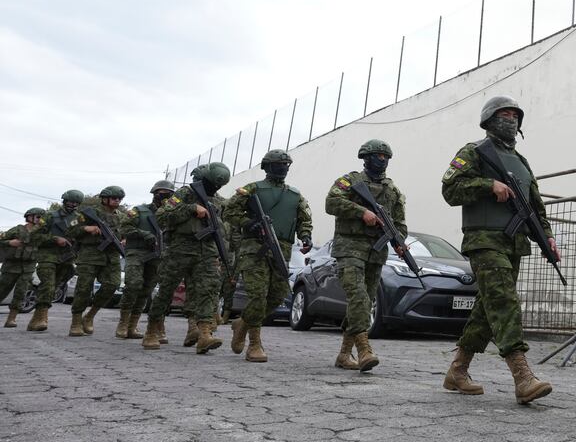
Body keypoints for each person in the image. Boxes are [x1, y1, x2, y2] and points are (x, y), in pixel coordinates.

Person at [441, 96, 557, 404]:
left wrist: (547, 237)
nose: (511, 120)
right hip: (484, 241)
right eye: (505, 114)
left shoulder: (521, 161)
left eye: (515, 115)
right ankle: (523, 376)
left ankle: (457, 371)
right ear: (490, 120)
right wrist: (487, 185)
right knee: (504, 302)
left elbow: (535, 204)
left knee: (486, 309)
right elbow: (449, 189)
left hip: (513, 243)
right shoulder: (474, 152)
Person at [223, 149, 313, 363]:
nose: (283, 168)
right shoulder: (252, 189)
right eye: (278, 164)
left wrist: (306, 236)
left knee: (278, 295)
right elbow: (228, 212)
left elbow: (304, 219)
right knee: (258, 295)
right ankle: (254, 344)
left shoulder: (295, 195)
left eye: (286, 164)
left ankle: (243, 323)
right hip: (254, 250)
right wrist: (248, 223)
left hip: (281, 250)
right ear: (267, 166)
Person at [324, 139, 406, 372]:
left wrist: (399, 242)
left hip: (376, 252)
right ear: (365, 158)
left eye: (385, 157)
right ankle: (364, 349)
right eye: (377, 156)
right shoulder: (350, 181)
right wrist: (362, 212)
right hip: (349, 248)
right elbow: (331, 203)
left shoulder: (393, 190)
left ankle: (343, 355)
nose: (382, 160)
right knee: (358, 297)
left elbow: (399, 222)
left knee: (364, 301)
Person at [142, 163, 231, 354]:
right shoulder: (184, 194)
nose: (215, 188)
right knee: (166, 291)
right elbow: (162, 216)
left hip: (206, 250)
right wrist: (191, 208)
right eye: (212, 183)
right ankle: (151, 330)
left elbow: (224, 230)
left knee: (208, 290)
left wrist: (222, 253)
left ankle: (204, 334)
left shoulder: (218, 201)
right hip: (179, 249)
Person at [116, 180, 175, 339]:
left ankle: (132, 326)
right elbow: (124, 227)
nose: (164, 196)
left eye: (168, 194)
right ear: (154, 193)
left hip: (158, 256)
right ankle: (123, 322)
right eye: (161, 193)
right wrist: (144, 234)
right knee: (133, 284)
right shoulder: (139, 211)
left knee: (146, 290)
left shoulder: (172, 214)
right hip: (137, 251)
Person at [67, 186, 126, 336]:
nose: (117, 201)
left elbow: (125, 232)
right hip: (91, 254)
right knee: (84, 288)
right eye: (114, 198)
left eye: (119, 199)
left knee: (112, 285)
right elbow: (70, 230)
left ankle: (90, 315)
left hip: (111, 256)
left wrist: (124, 240)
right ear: (105, 199)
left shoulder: (121, 216)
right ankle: (76, 321)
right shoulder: (89, 213)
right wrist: (86, 228)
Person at [28, 190, 83, 332]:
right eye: (70, 202)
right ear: (64, 201)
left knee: (54, 287)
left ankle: (36, 316)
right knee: (48, 285)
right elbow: (34, 237)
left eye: (76, 203)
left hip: (67, 258)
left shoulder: (80, 219)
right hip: (48, 257)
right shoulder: (50, 216)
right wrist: (54, 239)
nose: (73, 205)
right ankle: (41, 318)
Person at [0, 209, 44, 328]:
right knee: (2, 289)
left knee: (21, 292)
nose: (40, 219)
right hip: (11, 266)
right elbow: (1, 240)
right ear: (29, 217)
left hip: (28, 267)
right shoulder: (17, 229)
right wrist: (9, 242)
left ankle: (11, 318)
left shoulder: (42, 233)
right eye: (38, 217)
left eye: (41, 217)